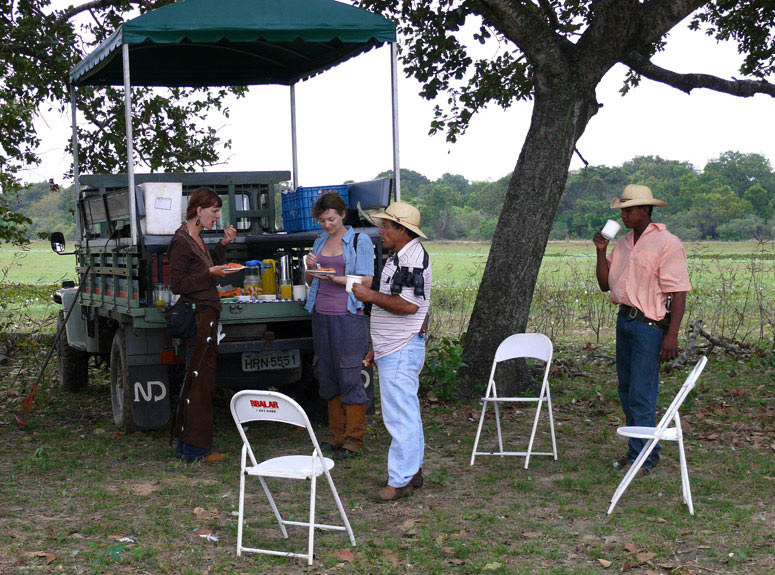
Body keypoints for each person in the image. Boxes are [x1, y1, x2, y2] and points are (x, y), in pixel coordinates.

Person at [593, 184, 691, 474]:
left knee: (641, 393)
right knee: (626, 390)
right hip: (625, 321)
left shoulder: (667, 243)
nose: (624, 215)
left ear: (646, 210)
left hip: (649, 327)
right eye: (622, 210)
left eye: (630, 210)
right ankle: (641, 450)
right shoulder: (622, 243)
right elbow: (604, 284)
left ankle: (643, 458)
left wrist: (671, 334)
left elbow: (679, 292)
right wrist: (601, 251)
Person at [352, 201, 431, 502]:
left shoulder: (411, 259)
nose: (380, 230)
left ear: (402, 229)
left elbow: (409, 306)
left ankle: (400, 481)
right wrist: (378, 344)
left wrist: (369, 295)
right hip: (396, 345)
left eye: (386, 225)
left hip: (401, 346)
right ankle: (411, 471)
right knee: (405, 412)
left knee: (400, 415)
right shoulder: (403, 256)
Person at [304, 193, 374, 460]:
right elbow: (313, 282)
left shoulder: (360, 241)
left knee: (348, 373)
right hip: (321, 313)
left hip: (348, 315)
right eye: (322, 220)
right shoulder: (320, 240)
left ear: (343, 214)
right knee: (327, 373)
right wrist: (311, 270)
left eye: (331, 219)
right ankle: (337, 436)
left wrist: (333, 278)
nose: (326, 225)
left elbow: (366, 283)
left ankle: (355, 438)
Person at [168, 187, 236, 462]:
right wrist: (209, 271)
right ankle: (195, 449)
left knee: (200, 382)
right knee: (199, 382)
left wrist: (222, 247)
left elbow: (207, 273)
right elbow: (178, 284)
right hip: (197, 316)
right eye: (214, 211)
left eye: (218, 211)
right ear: (199, 210)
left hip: (207, 315)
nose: (217, 217)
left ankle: (189, 447)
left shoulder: (198, 238)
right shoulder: (182, 241)